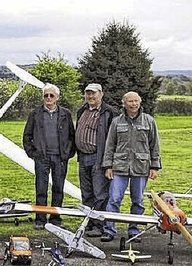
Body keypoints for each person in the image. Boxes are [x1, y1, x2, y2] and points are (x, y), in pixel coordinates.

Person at [100, 91, 161, 242]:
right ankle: (109, 230)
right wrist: (108, 166)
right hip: (119, 167)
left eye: (136, 101)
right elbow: (110, 145)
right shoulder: (116, 122)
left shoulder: (149, 121)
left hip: (141, 167)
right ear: (124, 104)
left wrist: (154, 166)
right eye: (130, 101)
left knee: (138, 200)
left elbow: (155, 145)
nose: (133, 104)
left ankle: (134, 230)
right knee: (114, 199)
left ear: (140, 102)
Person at [22, 84, 76, 229]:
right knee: (41, 188)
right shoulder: (35, 114)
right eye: (46, 95)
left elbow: (72, 135)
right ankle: (40, 218)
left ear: (57, 97)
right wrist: (33, 153)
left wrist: (67, 153)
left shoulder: (65, 114)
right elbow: (27, 136)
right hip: (42, 157)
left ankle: (55, 218)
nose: (48, 98)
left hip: (59, 157)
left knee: (58, 188)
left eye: (51, 95)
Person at [75, 83, 119, 237]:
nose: (90, 96)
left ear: (101, 94)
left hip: (98, 157)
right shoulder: (82, 111)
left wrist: (108, 162)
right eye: (88, 93)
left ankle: (99, 224)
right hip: (83, 157)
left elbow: (114, 139)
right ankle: (89, 222)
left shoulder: (109, 112)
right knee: (86, 193)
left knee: (100, 193)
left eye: (93, 93)